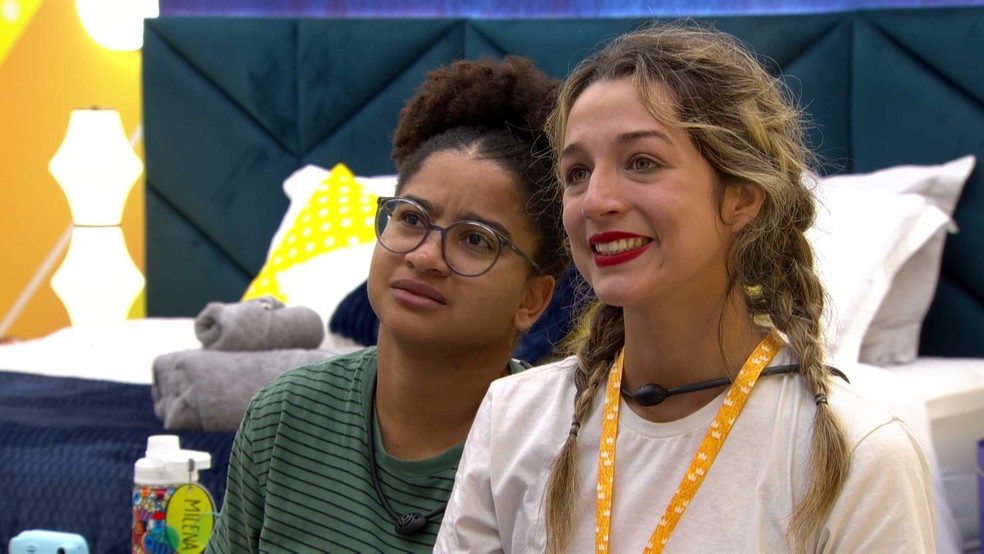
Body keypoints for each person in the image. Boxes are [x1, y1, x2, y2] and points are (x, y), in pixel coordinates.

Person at [435, 24, 935, 553]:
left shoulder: (855, 454)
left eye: (642, 162)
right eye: (577, 173)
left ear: (741, 197)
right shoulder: (514, 417)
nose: (596, 200)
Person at [204, 56, 568, 552]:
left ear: (532, 298)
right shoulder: (283, 416)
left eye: (475, 240)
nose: (425, 256)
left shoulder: (558, 456)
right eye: (411, 218)